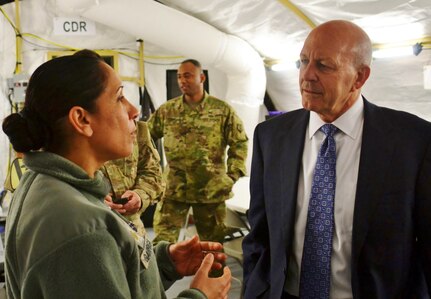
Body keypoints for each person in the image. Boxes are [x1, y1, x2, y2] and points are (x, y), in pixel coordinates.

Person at [2, 51, 231, 298]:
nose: (133, 111)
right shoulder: (81, 229)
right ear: (81, 119)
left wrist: (164, 264)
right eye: (119, 97)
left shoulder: (46, 185)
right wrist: (200, 295)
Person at [242, 20, 431, 299]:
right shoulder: (270, 137)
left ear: (359, 77)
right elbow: (259, 234)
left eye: (323, 66)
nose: (306, 75)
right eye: (303, 61)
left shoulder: (412, 141)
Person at [148, 59, 248, 245]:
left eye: (187, 76)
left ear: (201, 77)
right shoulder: (168, 110)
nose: (182, 81)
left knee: (212, 246)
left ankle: (214, 275)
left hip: (210, 191)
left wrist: (232, 175)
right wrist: (152, 170)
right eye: (179, 77)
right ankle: (159, 275)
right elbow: (145, 138)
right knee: (161, 243)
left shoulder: (221, 110)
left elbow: (239, 143)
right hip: (174, 188)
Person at [101, 120, 165, 236]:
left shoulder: (136, 127)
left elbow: (151, 171)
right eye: (118, 100)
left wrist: (140, 195)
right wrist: (93, 201)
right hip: (88, 231)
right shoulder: (66, 129)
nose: (134, 110)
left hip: (133, 232)